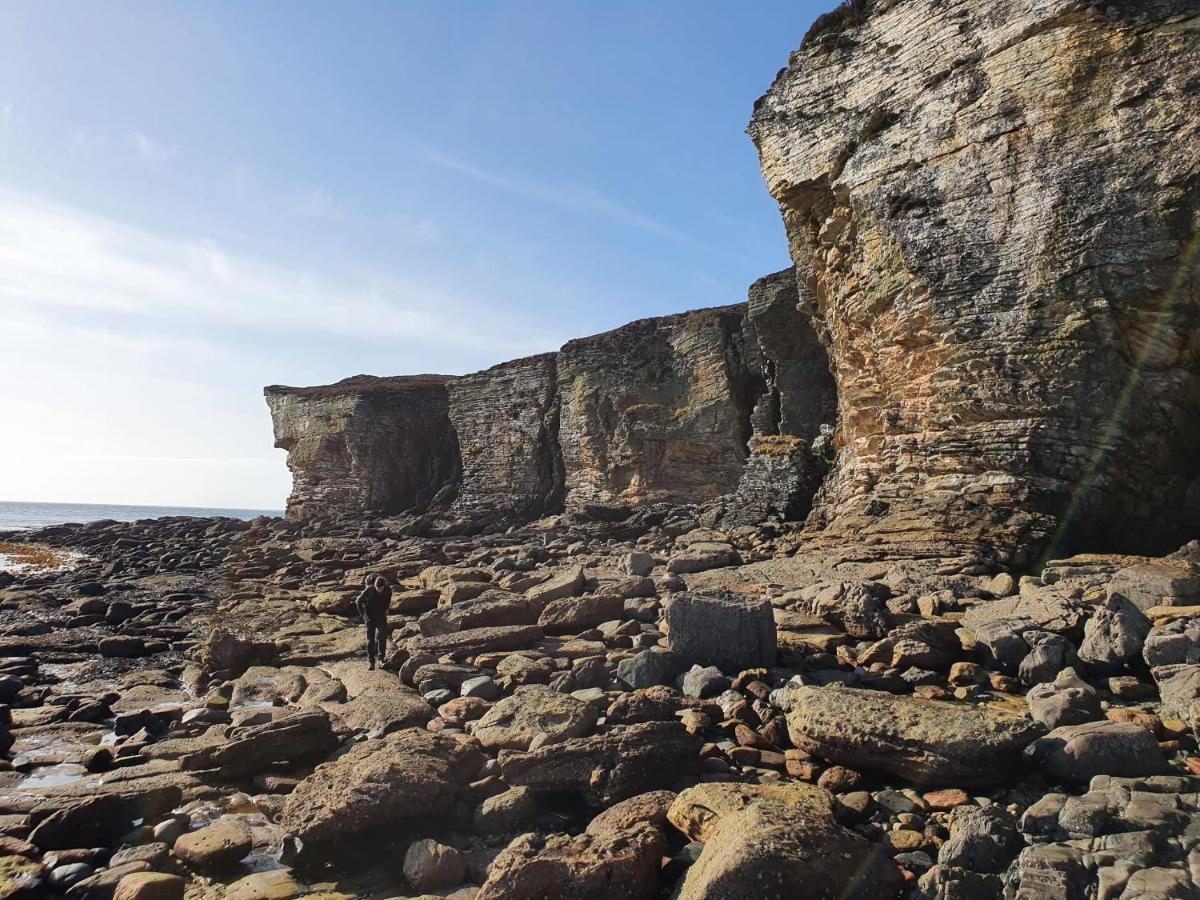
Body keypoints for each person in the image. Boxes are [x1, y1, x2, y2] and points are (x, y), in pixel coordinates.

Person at [355, 575, 392, 670]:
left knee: (382, 637)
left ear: (384, 586)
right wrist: (364, 616)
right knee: (370, 640)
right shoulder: (369, 590)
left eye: (381, 588)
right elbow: (358, 601)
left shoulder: (388, 590)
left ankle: (381, 658)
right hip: (370, 617)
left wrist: (387, 608)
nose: (379, 590)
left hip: (381, 617)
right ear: (374, 585)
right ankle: (371, 662)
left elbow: (388, 600)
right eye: (377, 588)